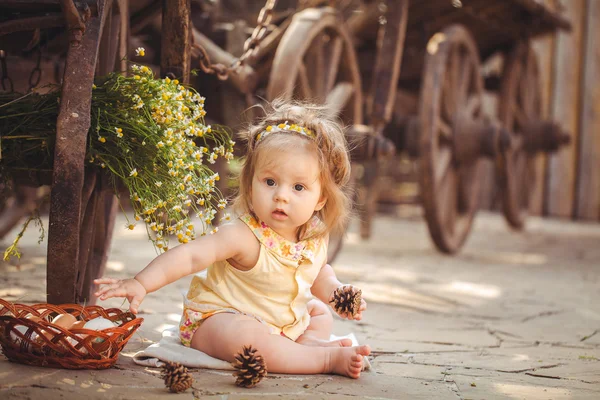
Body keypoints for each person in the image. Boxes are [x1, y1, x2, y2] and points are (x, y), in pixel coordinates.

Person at [94, 100, 370, 379]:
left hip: (283, 324)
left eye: (298, 187)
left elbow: (318, 273)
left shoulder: (313, 236)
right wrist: (141, 283)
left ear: (320, 198)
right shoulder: (242, 235)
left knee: (318, 312)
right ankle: (323, 359)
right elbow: (190, 256)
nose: (281, 196)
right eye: (270, 182)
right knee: (247, 336)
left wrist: (337, 295)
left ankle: (306, 345)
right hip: (219, 321)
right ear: (250, 183)